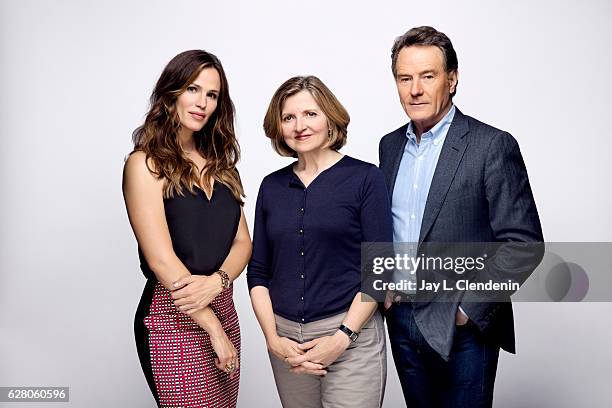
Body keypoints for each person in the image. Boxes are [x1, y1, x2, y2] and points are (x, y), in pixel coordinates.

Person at [379, 26, 544, 407]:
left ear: (452, 80)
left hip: (463, 329)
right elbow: (390, 228)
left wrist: (467, 310)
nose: (415, 89)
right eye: (405, 78)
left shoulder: (491, 145)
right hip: (401, 318)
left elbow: (524, 244)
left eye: (428, 76)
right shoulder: (389, 147)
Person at [247, 76, 392, 408]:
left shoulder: (365, 179)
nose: (300, 125)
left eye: (310, 114)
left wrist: (342, 338)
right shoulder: (271, 187)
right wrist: (273, 340)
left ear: (330, 118)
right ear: (278, 126)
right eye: (289, 117)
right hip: (287, 344)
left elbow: (380, 271)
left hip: (350, 335)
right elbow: (258, 272)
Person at [122, 50, 252, 408]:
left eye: (212, 95)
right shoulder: (144, 164)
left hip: (223, 305)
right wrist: (213, 329)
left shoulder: (223, 166)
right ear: (172, 93)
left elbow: (243, 242)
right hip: (172, 317)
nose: (203, 103)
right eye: (193, 90)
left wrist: (218, 282)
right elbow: (162, 260)